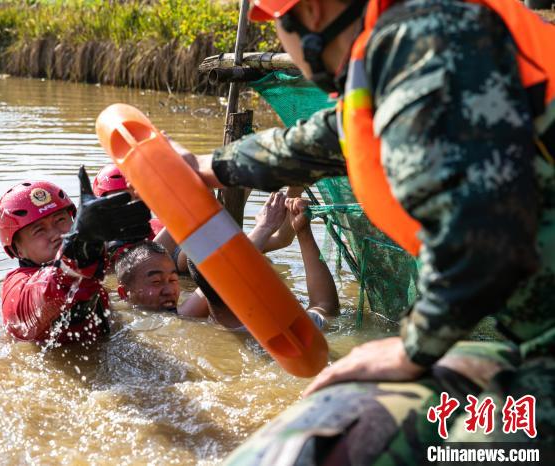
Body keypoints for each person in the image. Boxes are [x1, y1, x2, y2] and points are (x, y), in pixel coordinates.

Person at [175, 0, 555, 462]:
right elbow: (324, 140)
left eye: (277, 28)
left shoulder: (425, 52)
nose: (282, 43)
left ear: (309, 14)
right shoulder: (402, 48)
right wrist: (210, 168)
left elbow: (477, 229)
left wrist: (412, 351)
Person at [0, 167, 151, 344]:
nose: (55, 234)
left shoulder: (92, 256)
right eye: (39, 230)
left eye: (60, 220)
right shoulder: (16, 290)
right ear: (17, 250)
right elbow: (45, 292)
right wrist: (76, 253)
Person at [188, 193, 340, 330]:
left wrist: (262, 229)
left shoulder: (189, 314)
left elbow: (217, 274)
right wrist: (303, 232)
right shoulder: (284, 328)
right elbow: (325, 306)